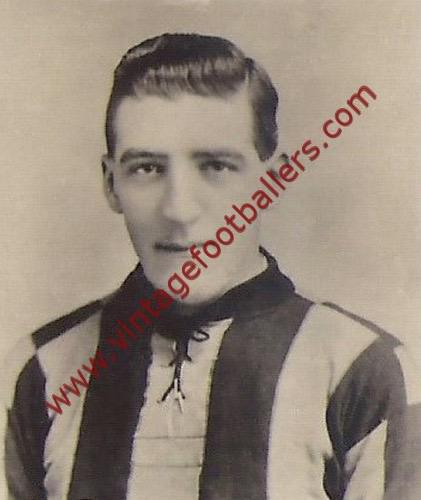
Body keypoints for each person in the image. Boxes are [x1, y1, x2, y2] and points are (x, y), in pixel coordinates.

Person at [3, 33, 421, 500]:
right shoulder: (40, 370)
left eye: (216, 166)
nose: (179, 209)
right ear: (111, 183)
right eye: (147, 168)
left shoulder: (360, 369)